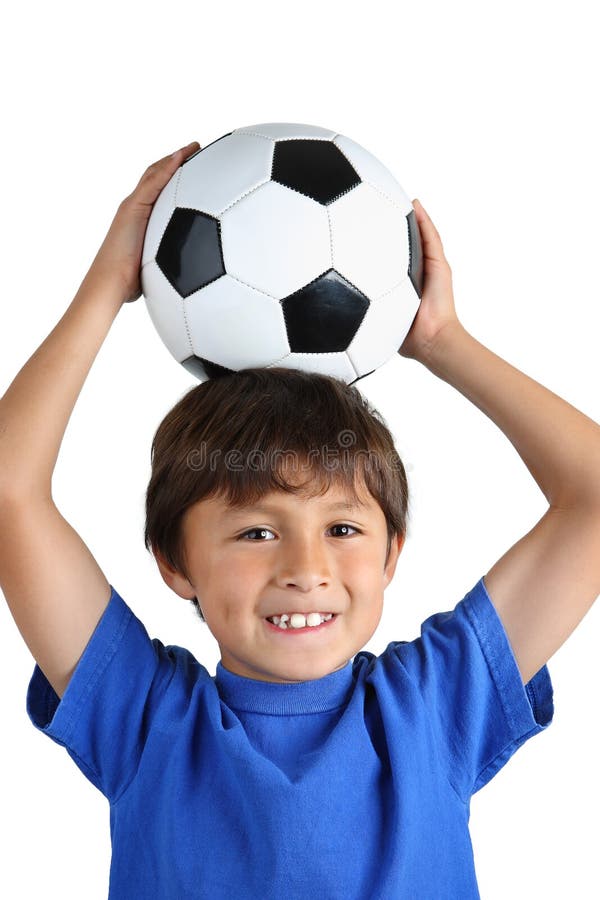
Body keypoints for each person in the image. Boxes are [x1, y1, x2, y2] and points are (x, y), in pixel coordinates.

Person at [1, 141, 599, 899]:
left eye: (343, 529)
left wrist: (444, 344)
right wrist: (106, 286)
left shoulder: (437, 705)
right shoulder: (143, 717)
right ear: (174, 560)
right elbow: (9, 489)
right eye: (256, 531)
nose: (305, 568)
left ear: (392, 555)